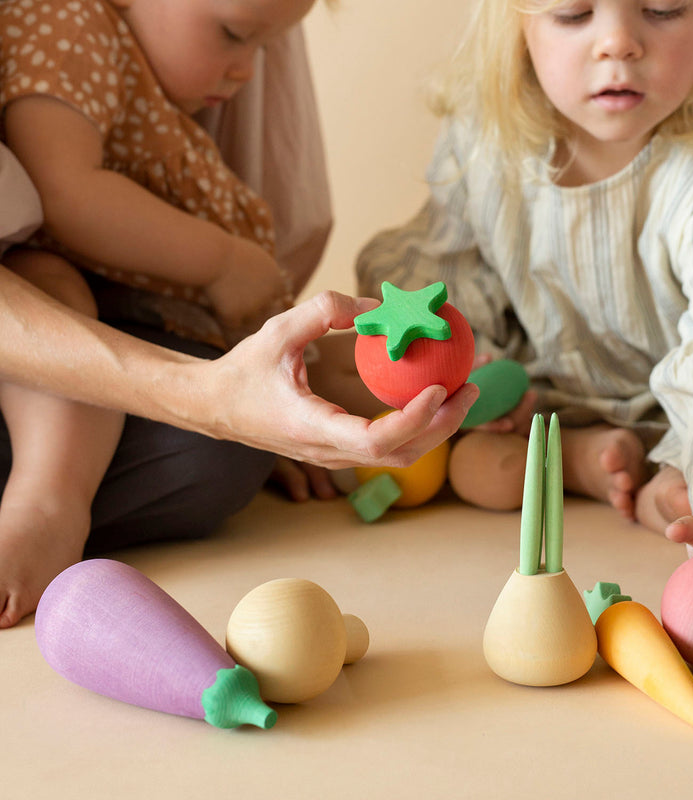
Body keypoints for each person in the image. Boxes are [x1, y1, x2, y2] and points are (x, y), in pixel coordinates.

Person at [0, 1, 479, 628]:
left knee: (309, 387)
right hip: (50, 297)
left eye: (266, 47)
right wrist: (222, 262)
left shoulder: (152, 75)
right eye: (233, 35)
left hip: (158, 322)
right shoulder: (68, 27)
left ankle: (475, 411)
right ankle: (46, 499)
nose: (248, 71)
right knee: (56, 287)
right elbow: (65, 190)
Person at [356, 0, 693, 651]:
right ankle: (587, 465)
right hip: (557, 397)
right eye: (572, 14)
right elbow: (444, 268)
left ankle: (669, 489)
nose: (618, 42)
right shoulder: (488, 143)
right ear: (519, 28)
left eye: (663, 8)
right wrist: (464, 358)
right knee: (475, 464)